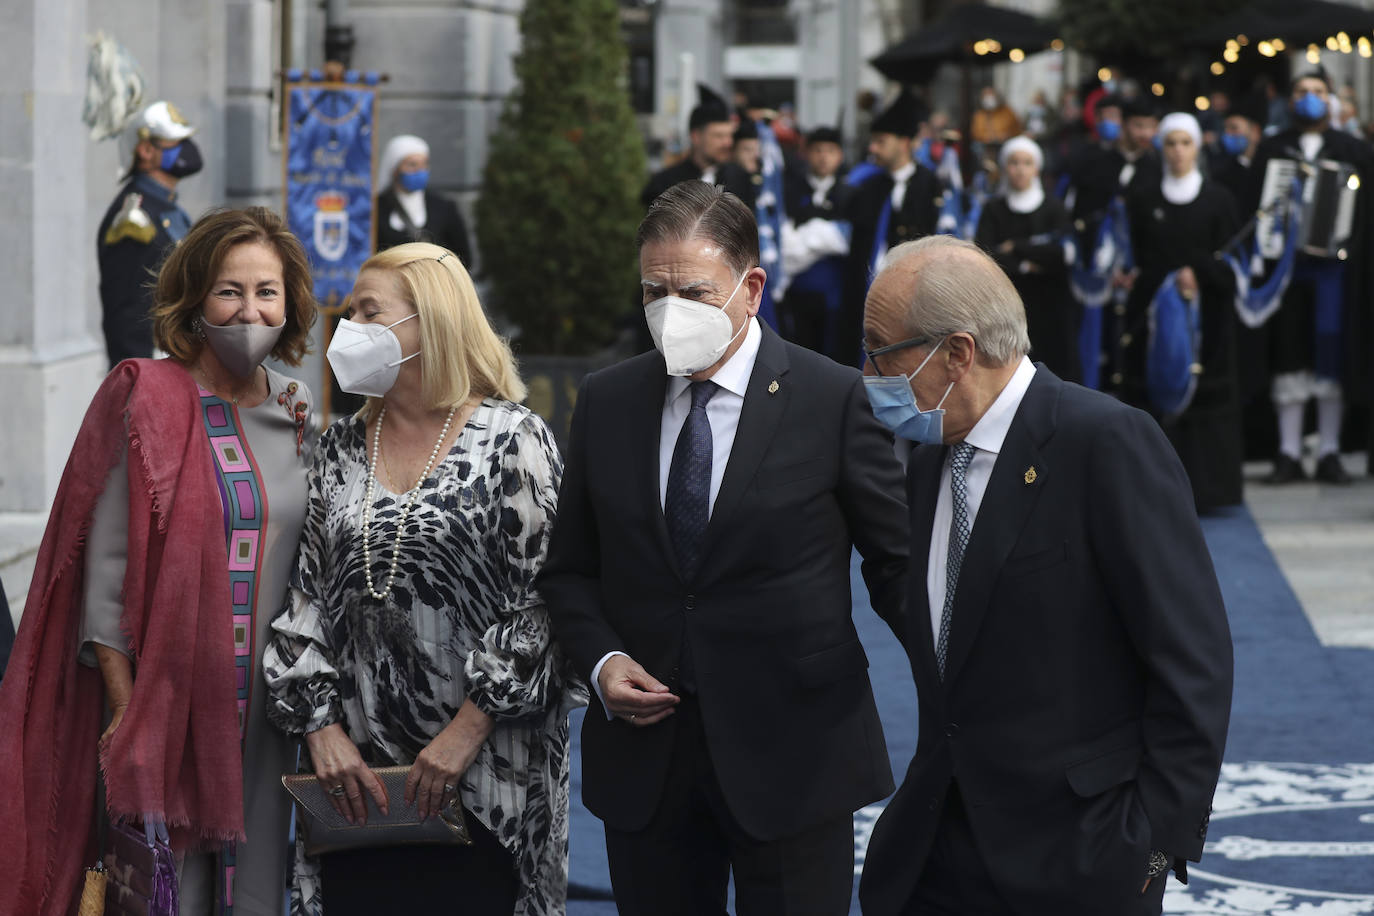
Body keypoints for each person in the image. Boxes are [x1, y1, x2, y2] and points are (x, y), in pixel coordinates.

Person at [538, 181, 909, 916]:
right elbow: (572, 570)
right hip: (648, 761)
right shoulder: (609, 402)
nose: (671, 312)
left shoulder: (831, 399)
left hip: (796, 753)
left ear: (753, 289)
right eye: (654, 291)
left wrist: (966, 681)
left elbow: (899, 562)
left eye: (696, 294)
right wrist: (603, 661)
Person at [857, 234, 1234, 916]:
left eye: (881, 352)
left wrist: (1153, 848)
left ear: (957, 352)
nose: (867, 374)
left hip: (1080, 860)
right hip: (938, 850)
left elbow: (1192, 661)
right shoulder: (928, 458)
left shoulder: (1106, 442)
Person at [0, 206, 319, 915]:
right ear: (195, 298)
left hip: (268, 719)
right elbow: (104, 580)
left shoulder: (299, 417)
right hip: (164, 714)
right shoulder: (147, 398)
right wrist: (129, 715)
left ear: (291, 303)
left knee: (257, 887)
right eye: (228, 291)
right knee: (162, 893)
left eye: (267, 291)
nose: (249, 310)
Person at [262, 242, 582, 916]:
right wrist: (320, 729)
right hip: (358, 786)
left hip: (489, 781)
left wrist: (463, 735)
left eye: (368, 313)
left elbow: (546, 605)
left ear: (429, 322)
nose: (347, 330)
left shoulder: (513, 439)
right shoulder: (341, 444)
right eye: (348, 313)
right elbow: (305, 602)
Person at [1249, 71, 1374, 484]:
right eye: (1302, 92)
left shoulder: (1353, 150)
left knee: (1330, 350)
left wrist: (1349, 246)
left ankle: (1329, 450)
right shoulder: (1272, 148)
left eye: (1318, 93)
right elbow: (1258, 209)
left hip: (1334, 271)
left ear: (1331, 100)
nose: (1310, 99)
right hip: (1287, 269)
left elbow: (1365, 215)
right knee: (1289, 349)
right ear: (1290, 99)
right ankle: (1287, 451)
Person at [1123, 113, 1242, 511]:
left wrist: (1201, 274)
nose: (1177, 151)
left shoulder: (1219, 200)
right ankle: (1154, 488)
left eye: (1185, 143)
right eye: (1170, 143)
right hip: (1156, 324)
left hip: (1206, 326)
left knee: (1205, 400)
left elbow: (1232, 265)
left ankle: (1208, 491)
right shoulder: (1144, 199)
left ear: (1197, 147)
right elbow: (1137, 259)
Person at [97, 99, 202, 366]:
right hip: (153, 366)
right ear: (145, 150)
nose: (186, 150)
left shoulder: (166, 208)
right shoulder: (134, 219)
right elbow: (129, 313)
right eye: (175, 143)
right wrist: (136, 380)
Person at [842, 89, 943, 367]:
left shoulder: (931, 185)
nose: (872, 148)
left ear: (905, 142)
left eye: (881, 141)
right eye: (872, 141)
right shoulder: (870, 186)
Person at [975, 136, 1079, 382]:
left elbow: (1061, 253)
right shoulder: (993, 209)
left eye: (1027, 163)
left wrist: (1016, 246)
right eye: (1014, 162)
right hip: (1005, 303)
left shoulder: (1054, 208)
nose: (1020, 169)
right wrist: (1025, 263)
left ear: (1037, 168)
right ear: (1004, 168)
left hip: (1050, 303)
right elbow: (986, 254)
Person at [780, 125, 855, 356]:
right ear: (807, 154)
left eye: (830, 151)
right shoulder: (789, 191)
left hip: (836, 295)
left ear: (840, 156)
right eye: (818, 150)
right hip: (797, 293)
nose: (824, 157)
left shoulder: (850, 194)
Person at [642, 85, 754, 208]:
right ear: (696, 137)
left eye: (729, 135)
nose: (727, 143)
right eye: (718, 136)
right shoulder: (665, 184)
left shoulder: (739, 179)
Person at [375, 134, 473, 266]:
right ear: (394, 169)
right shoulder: (376, 208)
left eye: (424, 164)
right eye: (412, 165)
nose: (419, 171)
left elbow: (463, 257)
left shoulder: (443, 207)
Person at [970, 86, 1022, 152]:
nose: (988, 98)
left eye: (991, 95)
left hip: (1005, 142)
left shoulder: (1007, 112)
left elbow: (1017, 129)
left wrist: (1006, 135)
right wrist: (989, 137)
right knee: (976, 147)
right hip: (986, 145)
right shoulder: (979, 115)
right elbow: (976, 133)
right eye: (985, 96)